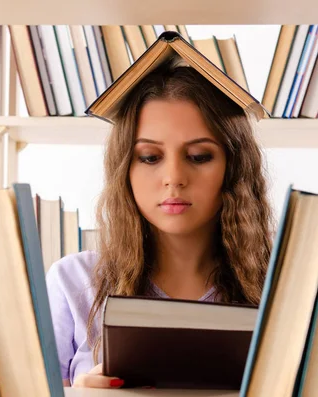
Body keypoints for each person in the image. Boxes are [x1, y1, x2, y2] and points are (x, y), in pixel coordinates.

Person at [45, 58, 274, 389]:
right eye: (150, 157)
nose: (174, 178)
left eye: (199, 157)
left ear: (234, 167)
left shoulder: (281, 288)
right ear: (125, 167)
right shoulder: (72, 281)